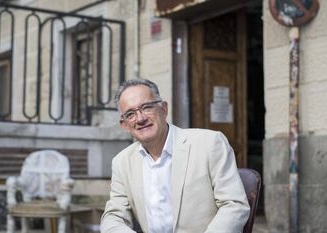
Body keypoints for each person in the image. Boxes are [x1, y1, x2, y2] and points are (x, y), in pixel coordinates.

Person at [100, 79, 250, 233]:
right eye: (130, 114)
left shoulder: (209, 144)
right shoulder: (122, 162)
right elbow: (113, 217)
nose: (140, 118)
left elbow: (234, 205)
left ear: (163, 109)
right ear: (124, 124)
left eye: (146, 107)